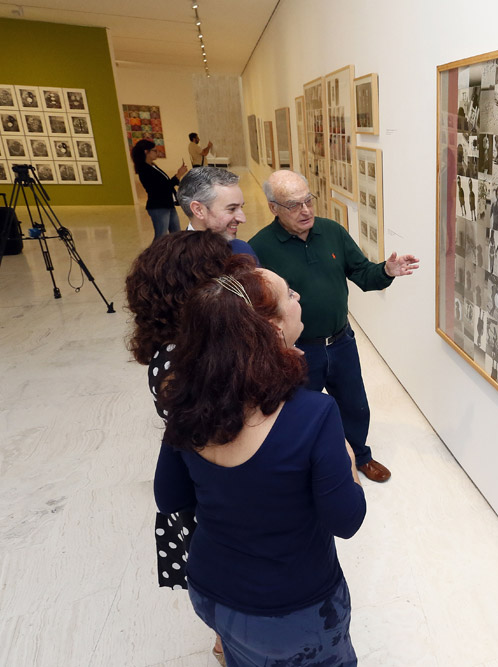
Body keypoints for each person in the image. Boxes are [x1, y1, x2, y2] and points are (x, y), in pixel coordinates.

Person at [153, 255, 366, 665]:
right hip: (293, 608)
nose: (298, 296)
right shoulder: (312, 414)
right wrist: (348, 459)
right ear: (273, 328)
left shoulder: (184, 400)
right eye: (290, 294)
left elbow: (169, 496)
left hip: (212, 589)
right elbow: (347, 520)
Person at [249, 170, 419, 483]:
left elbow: (364, 274)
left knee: (354, 405)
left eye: (308, 200)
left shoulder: (331, 232)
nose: (306, 210)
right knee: (299, 413)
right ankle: (305, 466)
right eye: (294, 205)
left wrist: (387, 270)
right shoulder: (259, 249)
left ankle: (360, 457)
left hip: (341, 342)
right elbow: (255, 310)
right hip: (298, 351)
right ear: (273, 208)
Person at [125, 231, 234, 663]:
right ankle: (228, 642)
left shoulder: (178, 347)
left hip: (198, 480)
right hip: (211, 489)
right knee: (227, 577)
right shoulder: (184, 359)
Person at [177, 167, 258, 261]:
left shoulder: (243, 250)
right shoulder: (175, 262)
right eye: (232, 209)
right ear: (198, 210)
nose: (243, 219)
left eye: (241, 207)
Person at [131, 138, 188, 241]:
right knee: (161, 237)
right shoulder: (145, 169)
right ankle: (153, 256)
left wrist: (178, 177)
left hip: (167, 204)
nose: (157, 153)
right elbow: (161, 188)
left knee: (176, 234)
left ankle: (176, 255)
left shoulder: (153, 166)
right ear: (146, 152)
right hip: (158, 206)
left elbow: (165, 184)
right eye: (154, 150)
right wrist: (178, 175)